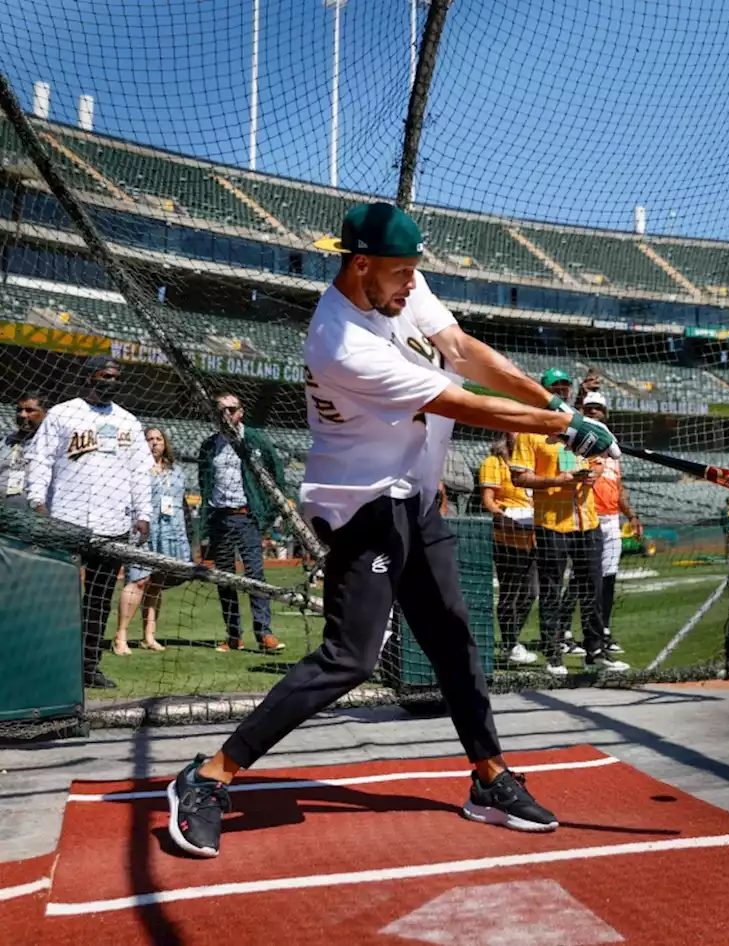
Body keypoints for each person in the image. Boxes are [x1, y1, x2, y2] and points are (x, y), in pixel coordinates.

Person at [166, 202, 620, 859]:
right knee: (349, 658)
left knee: (456, 641)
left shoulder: (400, 285)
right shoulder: (339, 342)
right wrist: (560, 428)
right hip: (363, 506)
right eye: (401, 271)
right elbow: (452, 399)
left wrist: (552, 404)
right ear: (360, 265)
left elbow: (461, 352)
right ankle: (208, 777)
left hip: (416, 499)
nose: (412, 284)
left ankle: (489, 778)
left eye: (413, 272)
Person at [24, 356, 151, 690]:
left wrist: (144, 514)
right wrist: (36, 500)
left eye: (115, 376)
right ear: (88, 377)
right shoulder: (64, 413)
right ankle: (46, 661)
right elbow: (40, 459)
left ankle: (88, 666)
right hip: (66, 519)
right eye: (104, 375)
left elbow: (140, 472)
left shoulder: (128, 421)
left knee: (98, 599)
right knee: (57, 596)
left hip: (113, 522)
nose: (110, 381)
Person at [509, 369, 628, 674]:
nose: (561, 392)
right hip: (551, 522)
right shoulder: (530, 430)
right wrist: (557, 479)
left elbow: (600, 459)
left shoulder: (580, 424)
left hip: (587, 520)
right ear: (544, 390)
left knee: (592, 588)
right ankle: (553, 654)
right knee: (551, 588)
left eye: (564, 387)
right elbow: (519, 476)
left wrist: (593, 473)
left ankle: (595, 651)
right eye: (555, 387)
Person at [197, 392, 287, 654]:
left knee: (255, 575)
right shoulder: (209, 445)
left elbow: (277, 476)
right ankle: (234, 635)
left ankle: (264, 634)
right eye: (221, 410)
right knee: (224, 578)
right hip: (220, 518)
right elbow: (204, 484)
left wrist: (267, 514)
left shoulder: (256, 440)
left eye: (231, 409)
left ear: (241, 412)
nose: (226, 415)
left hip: (247, 516)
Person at [114, 427, 193, 655]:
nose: (154, 443)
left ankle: (149, 635)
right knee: (138, 580)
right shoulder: (136, 469)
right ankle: (121, 636)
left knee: (157, 581)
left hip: (170, 532)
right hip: (144, 530)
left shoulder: (176, 470)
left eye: (159, 439)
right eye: (150, 439)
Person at [582, 392, 638, 653]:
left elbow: (619, 489)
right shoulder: (577, 445)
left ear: (605, 413)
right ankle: (566, 632)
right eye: (588, 408)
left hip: (612, 520)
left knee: (608, 577)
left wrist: (632, 515)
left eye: (598, 408)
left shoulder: (614, 453)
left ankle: (602, 628)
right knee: (581, 578)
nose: (593, 411)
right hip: (585, 518)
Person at [479, 433, 539, 666]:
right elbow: (489, 500)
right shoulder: (493, 463)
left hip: (531, 536)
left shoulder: (530, 463)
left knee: (531, 592)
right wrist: (501, 515)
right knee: (510, 592)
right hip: (506, 537)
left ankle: (510, 641)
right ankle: (510, 643)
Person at [1, 392, 47, 508]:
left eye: (29, 410)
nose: (22, 415)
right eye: (19, 410)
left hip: (32, 515)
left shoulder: (48, 445)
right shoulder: (6, 442)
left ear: (45, 413)